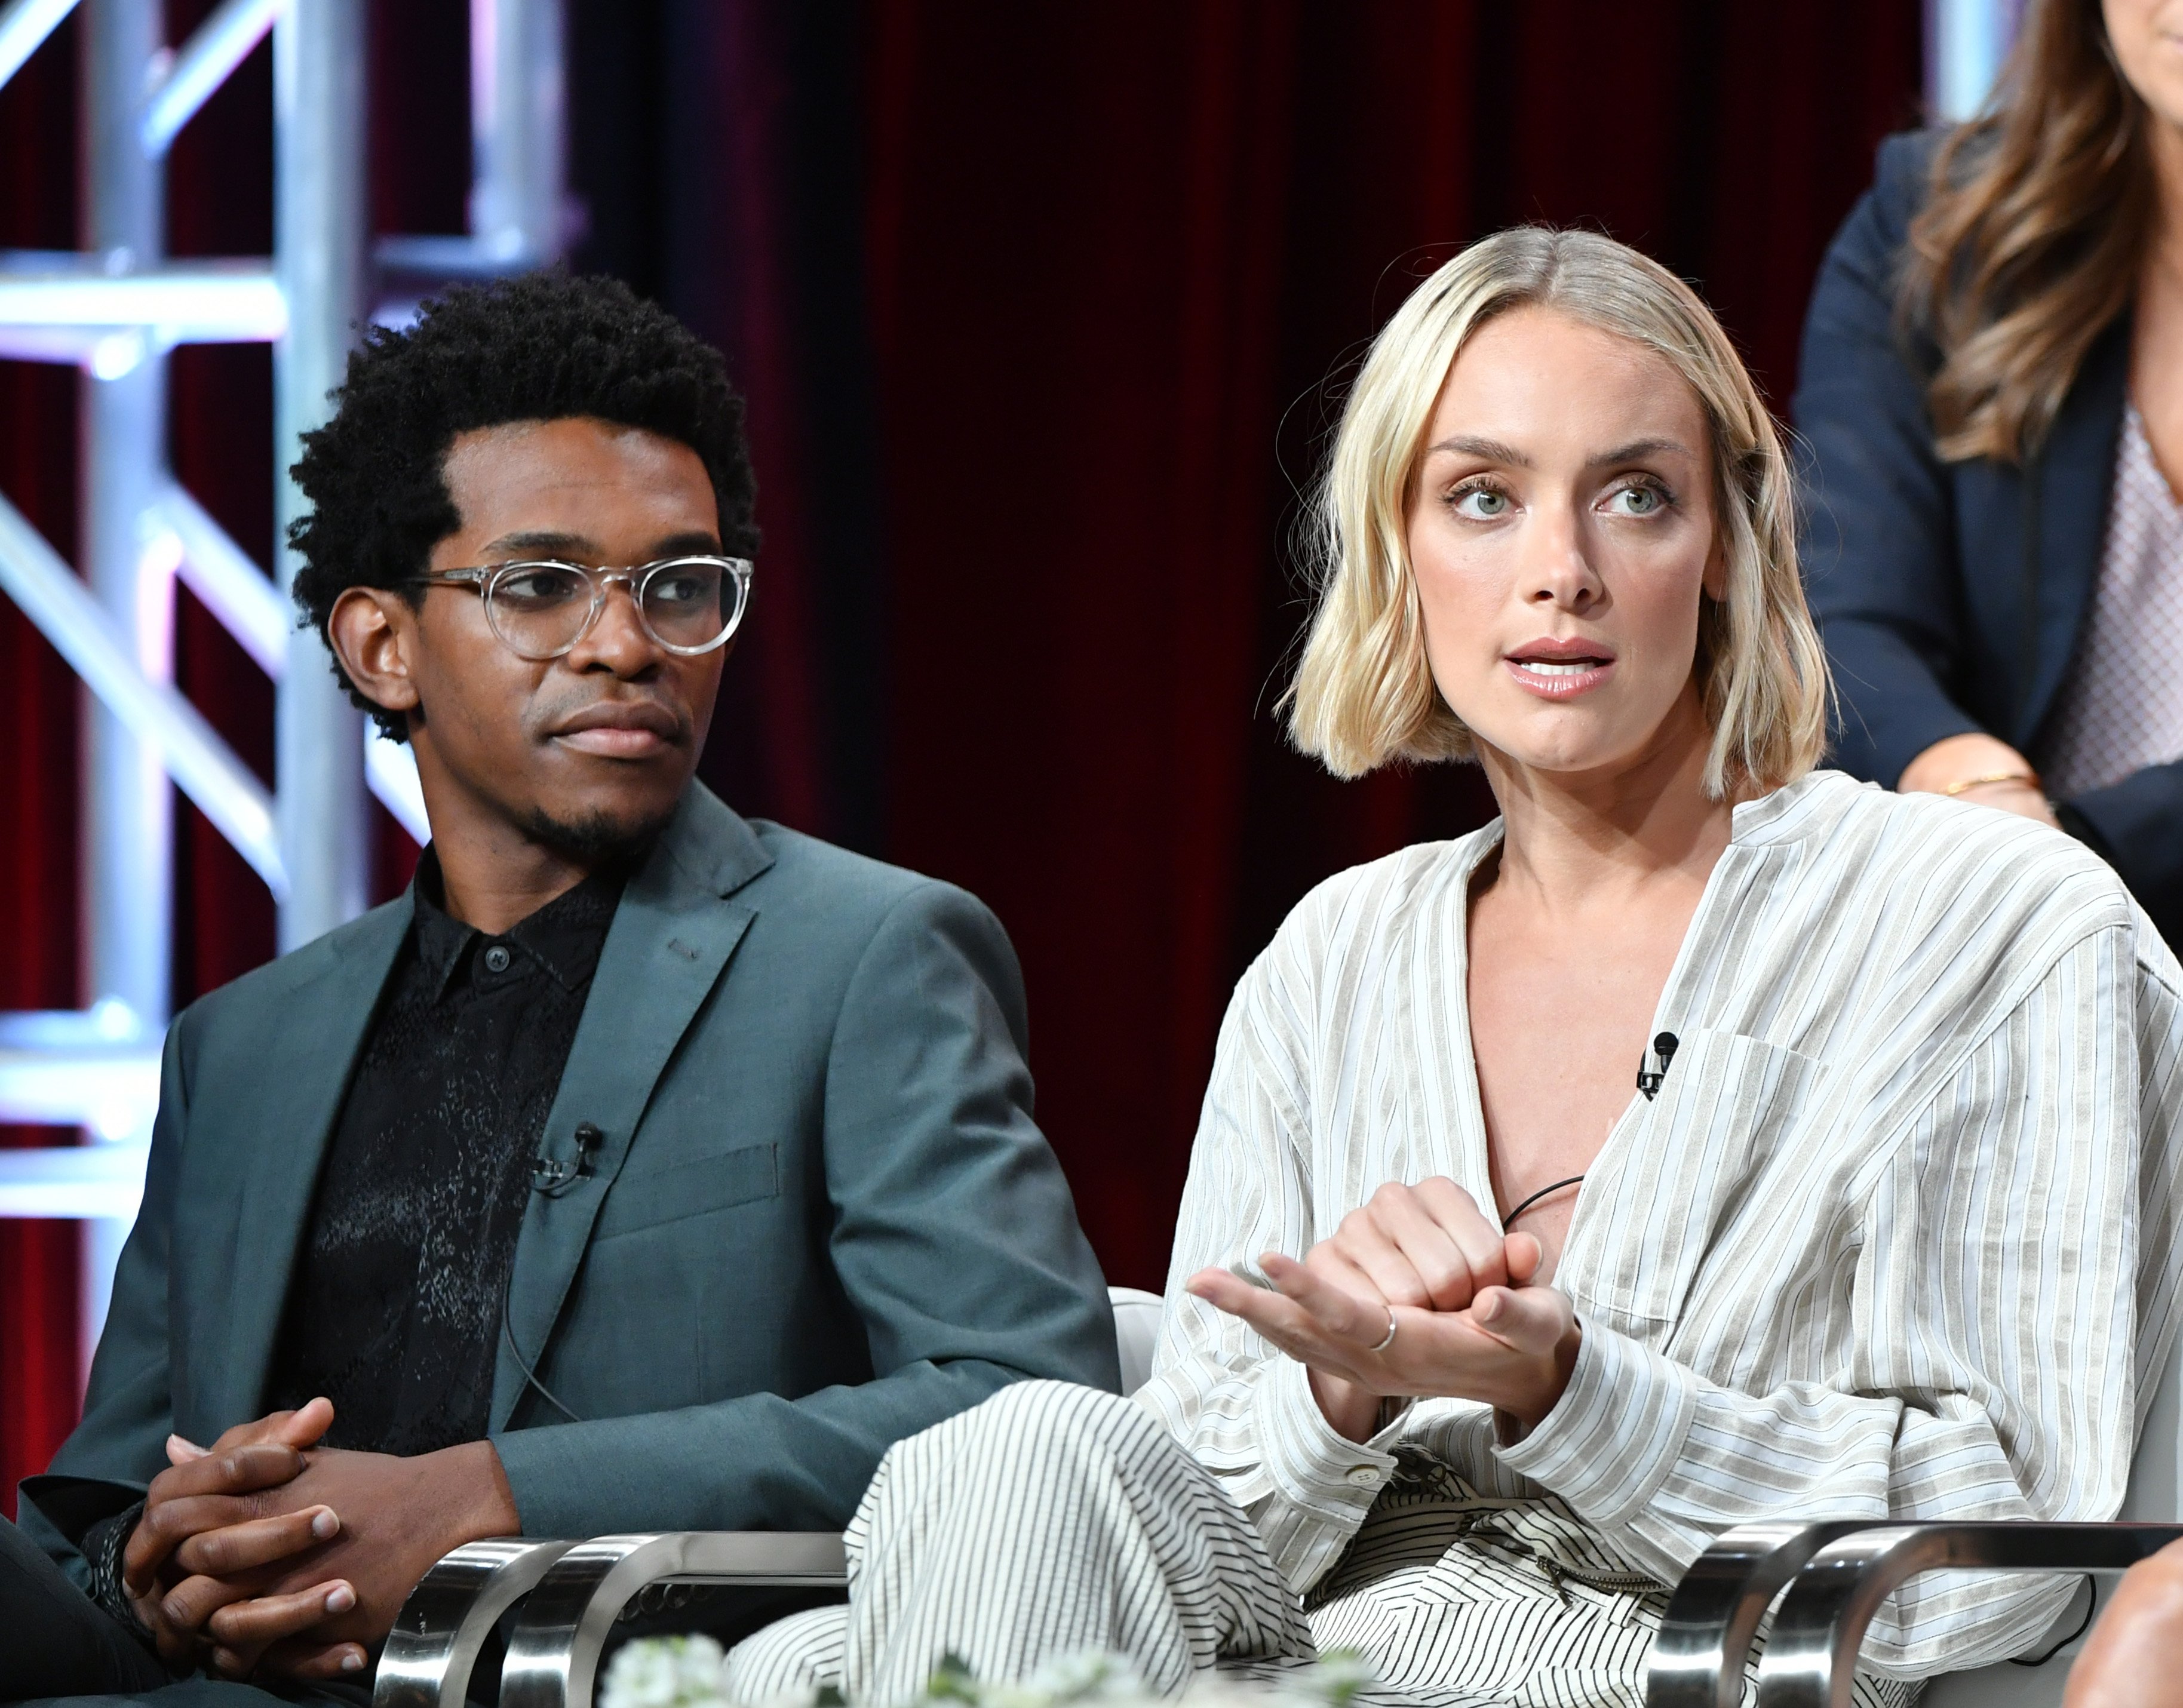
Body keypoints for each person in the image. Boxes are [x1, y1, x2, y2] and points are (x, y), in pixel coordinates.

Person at [721, 228, 2183, 1708]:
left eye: (1635, 496)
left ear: (1730, 547)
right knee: (988, 1469)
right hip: (1278, 1646)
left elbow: (2003, 1544)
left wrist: (1568, 1393)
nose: (1562, 573)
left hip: (1659, 1667)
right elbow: (1204, 1483)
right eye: (1482, 497)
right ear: (1397, 548)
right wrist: (1338, 1387)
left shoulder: (1992, 926)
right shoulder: (1331, 957)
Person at [0, 273, 1120, 1699]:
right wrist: (151, 1558)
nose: (625, 644)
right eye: (539, 585)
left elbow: (1027, 1402)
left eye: (681, 586)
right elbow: (102, 1510)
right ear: (380, 645)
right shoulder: (242, 1045)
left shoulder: (865, 952)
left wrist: (486, 1494)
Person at [1795, 0, 2183, 944]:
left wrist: (2060, 858)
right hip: (2000, 945)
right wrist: (1977, 784)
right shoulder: (1932, 227)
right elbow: (1842, 609)